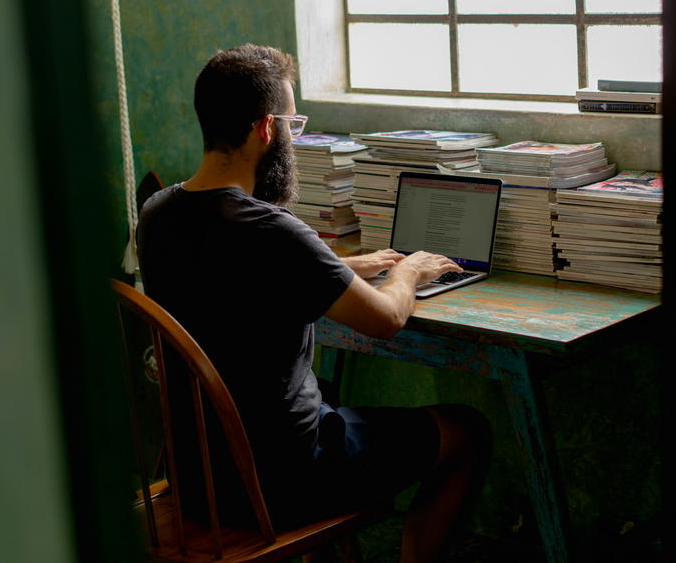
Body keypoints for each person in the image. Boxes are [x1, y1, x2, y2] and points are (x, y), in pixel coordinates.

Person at [137, 43, 491, 562]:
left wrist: (342, 268)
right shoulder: (272, 230)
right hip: (284, 483)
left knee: (324, 394)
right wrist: (410, 269)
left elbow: (231, 280)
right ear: (265, 130)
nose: (291, 138)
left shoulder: (158, 213)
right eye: (291, 124)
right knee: (468, 431)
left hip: (199, 482)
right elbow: (387, 319)